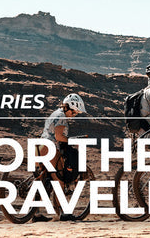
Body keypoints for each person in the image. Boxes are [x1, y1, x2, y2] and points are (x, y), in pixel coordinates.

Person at [35, 93, 86, 222]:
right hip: (50, 147)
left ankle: (35, 214)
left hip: (40, 146)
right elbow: (58, 137)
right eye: (74, 112)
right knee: (59, 180)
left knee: (44, 180)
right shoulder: (62, 116)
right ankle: (64, 213)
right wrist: (70, 141)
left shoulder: (56, 113)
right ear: (69, 107)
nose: (74, 115)